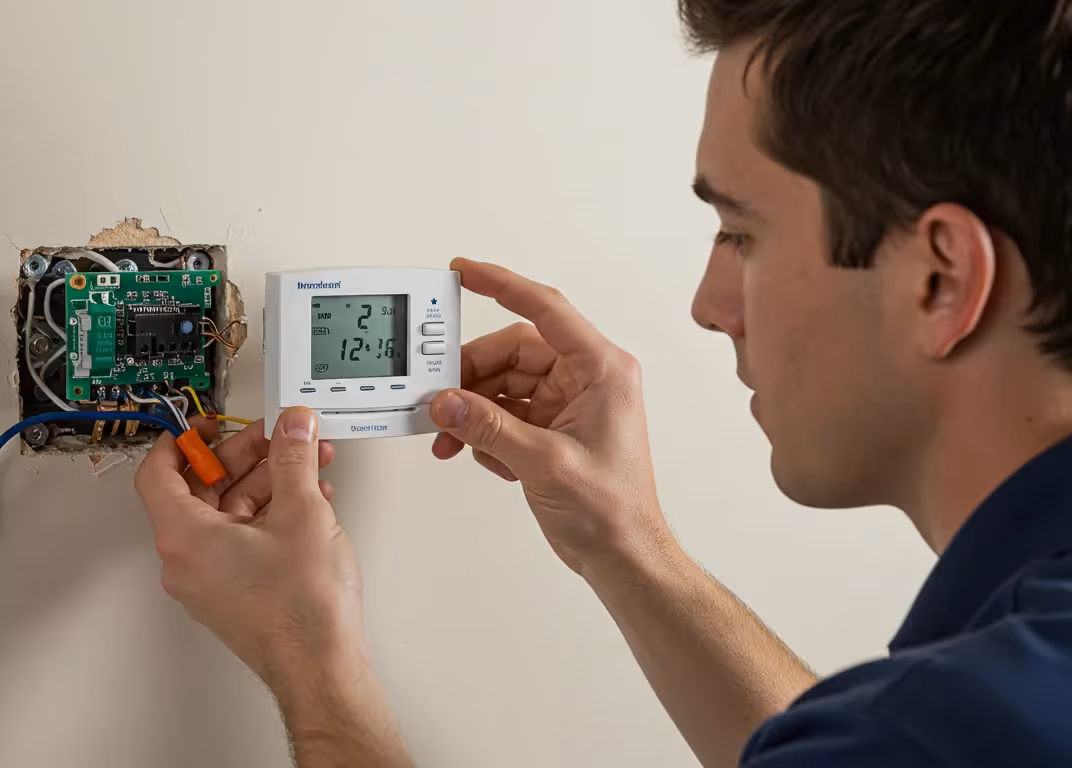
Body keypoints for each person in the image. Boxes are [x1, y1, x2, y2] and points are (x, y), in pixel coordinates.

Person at [134, 0, 1072, 765]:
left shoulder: (957, 724)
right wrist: (623, 539)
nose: (709, 305)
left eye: (741, 233)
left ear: (939, 279)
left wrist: (310, 658)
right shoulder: (995, 696)